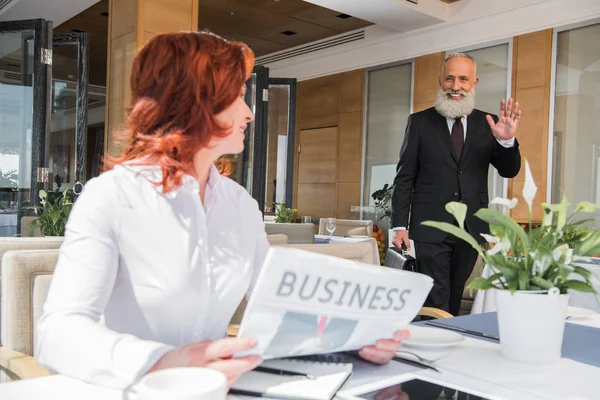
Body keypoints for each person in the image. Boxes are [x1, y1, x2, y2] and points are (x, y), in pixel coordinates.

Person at [35, 31, 407, 391]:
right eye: (238, 97)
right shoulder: (111, 197)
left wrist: (355, 338)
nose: (248, 113)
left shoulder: (239, 204)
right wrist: (166, 361)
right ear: (194, 100)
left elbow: (280, 305)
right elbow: (58, 333)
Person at [391, 53, 522, 316]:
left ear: (474, 82)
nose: (456, 86)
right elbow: (404, 177)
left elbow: (509, 170)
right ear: (440, 81)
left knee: (454, 292)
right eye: (449, 78)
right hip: (430, 226)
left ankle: (447, 344)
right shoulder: (419, 122)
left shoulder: (489, 125)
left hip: (471, 227)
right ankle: (430, 346)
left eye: (463, 79)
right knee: (436, 294)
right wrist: (399, 225)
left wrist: (507, 141)